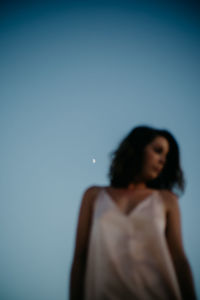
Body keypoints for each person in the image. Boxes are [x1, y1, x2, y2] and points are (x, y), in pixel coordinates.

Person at [70, 125, 197, 300]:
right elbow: (80, 257)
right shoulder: (93, 196)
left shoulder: (166, 200)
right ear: (137, 149)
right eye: (158, 151)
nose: (162, 160)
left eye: (166, 156)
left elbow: (179, 261)